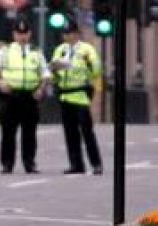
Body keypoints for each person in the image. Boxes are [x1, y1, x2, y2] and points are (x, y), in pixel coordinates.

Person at [0, 15, 51, 174]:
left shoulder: (36, 52)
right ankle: (7, 163)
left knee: (29, 132)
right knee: (8, 132)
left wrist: (41, 88)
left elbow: (45, 73)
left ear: (29, 34)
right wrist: (0, 83)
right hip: (11, 96)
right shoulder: (6, 50)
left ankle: (29, 163)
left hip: (29, 96)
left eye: (25, 33)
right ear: (14, 34)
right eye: (19, 33)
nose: (22, 36)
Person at [49, 17, 103, 175]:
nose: (68, 36)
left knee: (87, 132)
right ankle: (76, 164)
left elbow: (97, 70)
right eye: (66, 33)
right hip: (65, 96)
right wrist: (54, 70)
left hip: (80, 95)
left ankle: (96, 164)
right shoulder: (60, 50)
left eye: (71, 33)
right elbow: (53, 73)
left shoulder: (87, 49)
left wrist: (89, 63)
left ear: (77, 34)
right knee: (70, 134)